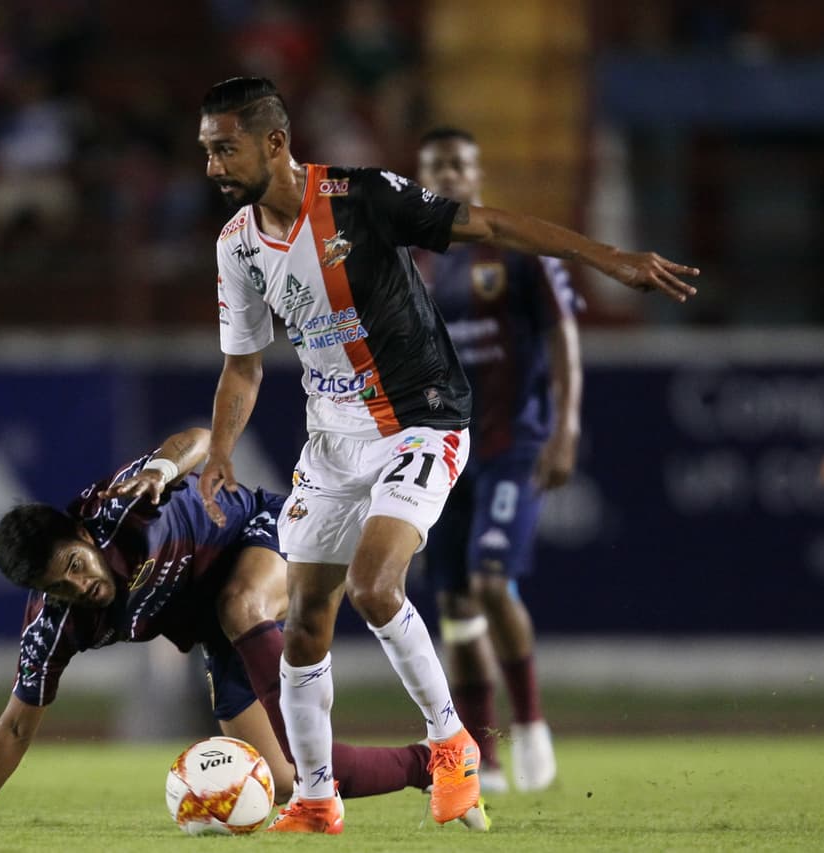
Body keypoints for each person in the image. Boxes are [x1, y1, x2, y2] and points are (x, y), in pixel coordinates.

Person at [196, 76, 697, 834]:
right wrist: (220, 452)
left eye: (224, 147)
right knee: (304, 620)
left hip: (421, 419)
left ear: (274, 143)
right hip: (332, 440)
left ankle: (452, 743)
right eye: (205, 150)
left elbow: (489, 224)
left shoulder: (362, 199)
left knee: (374, 584)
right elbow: (244, 362)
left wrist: (607, 256)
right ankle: (317, 797)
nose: (211, 166)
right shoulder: (238, 246)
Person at [0, 427, 440, 830]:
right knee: (285, 779)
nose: (81, 586)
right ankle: (433, 766)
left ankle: (325, 771)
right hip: (217, 625)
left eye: (76, 564)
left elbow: (198, 439)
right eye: (60, 587)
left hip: (262, 529)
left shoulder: (117, 507)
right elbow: (15, 724)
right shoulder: (53, 625)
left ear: (82, 534)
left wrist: (161, 468)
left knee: (240, 604)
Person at [414, 126, 582, 793]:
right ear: (422, 180)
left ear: (477, 173)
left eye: (460, 164)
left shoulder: (517, 248)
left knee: (490, 580)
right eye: (437, 167)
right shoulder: (415, 263)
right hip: (443, 452)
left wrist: (566, 427)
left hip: (514, 443)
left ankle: (534, 726)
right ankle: (481, 754)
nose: (450, 175)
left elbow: (564, 335)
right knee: (454, 602)